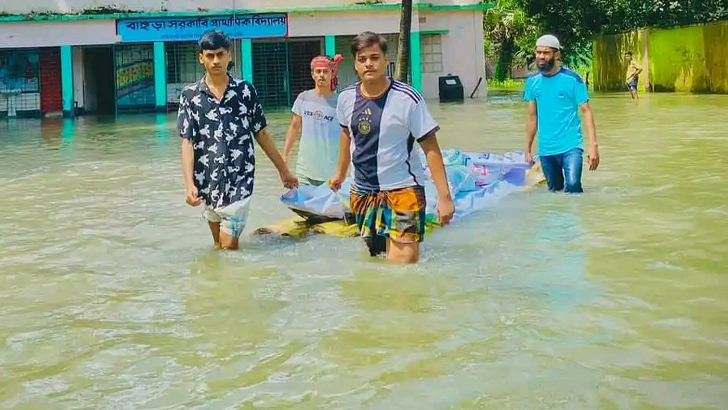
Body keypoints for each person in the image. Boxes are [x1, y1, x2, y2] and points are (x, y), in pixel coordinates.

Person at [329, 31, 455, 264]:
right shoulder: (346, 98)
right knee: (376, 260)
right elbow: (346, 134)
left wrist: (445, 197)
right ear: (355, 64)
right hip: (363, 191)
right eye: (362, 59)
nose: (369, 63)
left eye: (374, 57)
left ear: (386, 60)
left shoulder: (407, 98)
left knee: (403, 265)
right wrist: (339, 173)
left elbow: (431, 148)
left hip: (403, 190)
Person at [177, 29, 298, 250]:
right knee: (218, 246)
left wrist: (283, 170)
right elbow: (187, 142)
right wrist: (189, 184)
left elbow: (261, 133)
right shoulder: (190, 96)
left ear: (229, 56)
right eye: (210, 55)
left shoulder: (245, 91)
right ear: (201, 58)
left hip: (239, 178)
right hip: (207, 181)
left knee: (229, 247)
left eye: (220, 55)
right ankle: (216, 283)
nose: (216, 61)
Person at [523, 34, 600, 194]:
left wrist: (593, 146)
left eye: (546, 53)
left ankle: (577, 217)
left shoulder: (573, 79)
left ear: (556, 54)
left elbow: (586, 112)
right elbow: (532, 117)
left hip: (571, 145)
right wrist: (528, 149)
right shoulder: (532, 82)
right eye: (538, 53)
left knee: (573, 185)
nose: (541, 57)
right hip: (546, 148)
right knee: (555, 191)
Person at [282, 54, 345, 186]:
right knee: (301, 206)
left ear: (332, 74)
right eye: (318, 71)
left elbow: (348, 135)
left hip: (331, 174)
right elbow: (294, 127)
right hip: (304, 171)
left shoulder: (341, 102)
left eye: (326, 71)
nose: (322, 75)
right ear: (313, 74)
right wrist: (285, 156)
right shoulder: (303, 98)